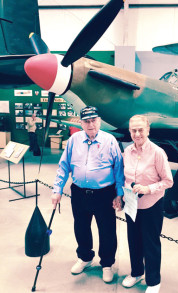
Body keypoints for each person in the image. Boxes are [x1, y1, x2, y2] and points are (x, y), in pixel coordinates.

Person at [51, 106, 124, 283]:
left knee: (107, 230)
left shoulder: (110, 140)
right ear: (81, 122)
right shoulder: (74, 140)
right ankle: (85, 257)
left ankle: (107, 263)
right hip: (79, 192)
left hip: (104, 194)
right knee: (81, 227)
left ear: (99, 121)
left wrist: (119, 194)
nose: (90, 124)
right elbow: (64, 166)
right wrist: (57, 190)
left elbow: (119, 170)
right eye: (86, 121)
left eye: (94, 120)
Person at [122, 115, 173, 293]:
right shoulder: (127, 151)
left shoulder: (157, 152)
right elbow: (126, 177)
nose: (137, 134)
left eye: (140, 130)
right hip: (131, 202)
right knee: (133, 240)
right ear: (129, 131)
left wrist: (148, 189)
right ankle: (136, 273)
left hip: (152, 204)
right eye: (133, 130)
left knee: (150, 243)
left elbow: (168, 181)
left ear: (148, 130)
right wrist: (121, 196)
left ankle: (153, 281)